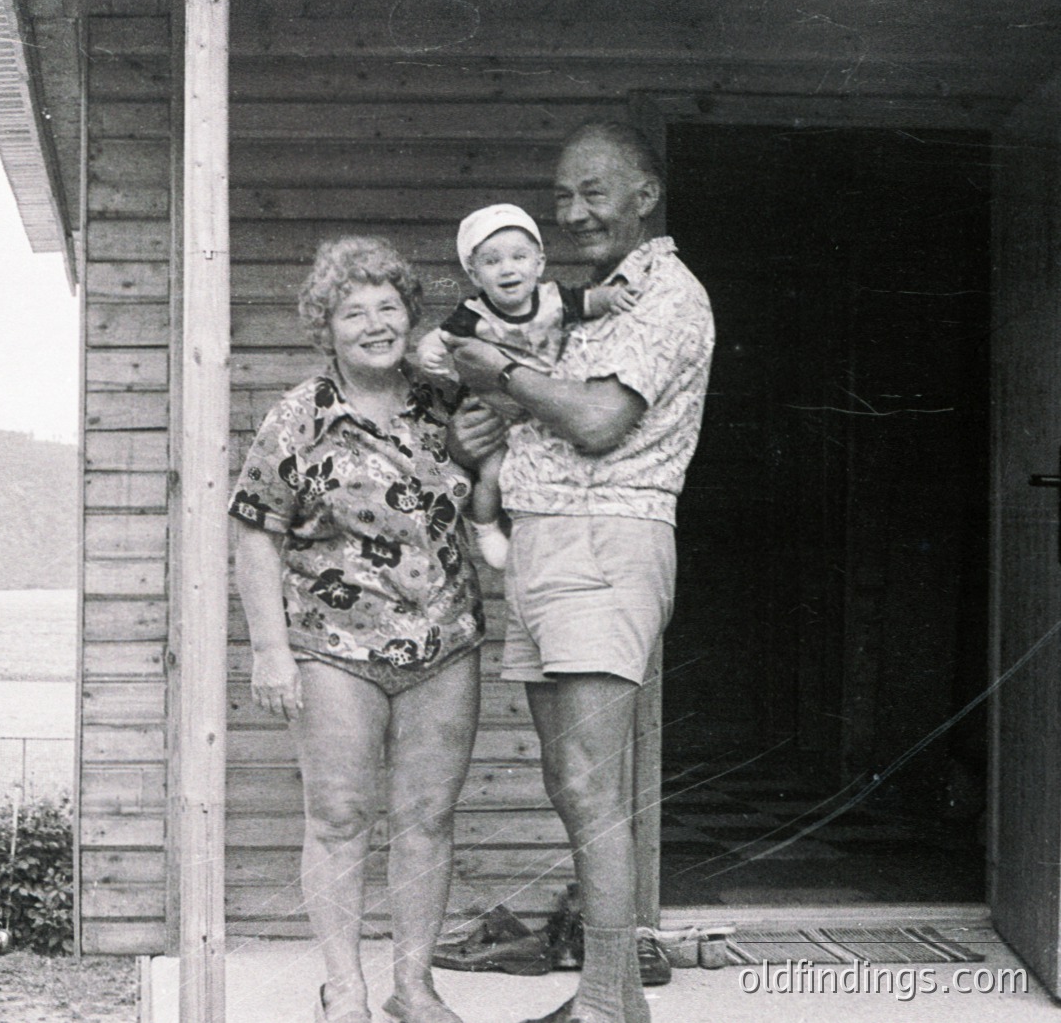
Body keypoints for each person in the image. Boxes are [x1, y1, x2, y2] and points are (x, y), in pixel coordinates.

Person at [447, 122, 715, 1023]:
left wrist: (506, 378)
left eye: (593, 192)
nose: (571, 213)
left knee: (594, 787)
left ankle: (609, 1007)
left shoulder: (667, 298)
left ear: (645, 194)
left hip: (607, 546)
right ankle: (604, 997)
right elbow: (540, 419)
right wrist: (479, 429)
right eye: (560, 196)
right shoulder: (594, 299)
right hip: (544, 547)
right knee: (572, 784)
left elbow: (598, 422)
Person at [229, 235, 488, 1023]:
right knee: (339, 818)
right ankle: (343, 988)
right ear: (327, 326)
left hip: (444, 643)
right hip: (334, 650)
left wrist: (483, 456)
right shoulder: (299, 416)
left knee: (427, 820)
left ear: (409, 315)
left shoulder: (445, 401)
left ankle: (413, 986)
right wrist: (270, 649)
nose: (375, 324)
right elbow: (254, 531)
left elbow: (486, 499)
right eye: (354, 311)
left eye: (388, 307)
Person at [414, 203, 637, 567]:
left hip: (541, 402)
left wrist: (611, 297)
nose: (508, 268)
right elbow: (441, 336)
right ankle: (485, 525)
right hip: (495, 409)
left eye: (519, 256)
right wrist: (429, 350)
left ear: (539, 263)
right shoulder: (474, 313)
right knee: (494, 471)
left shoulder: (553, 298)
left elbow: (588, 301)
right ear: (474, 273)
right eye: (492, 261)